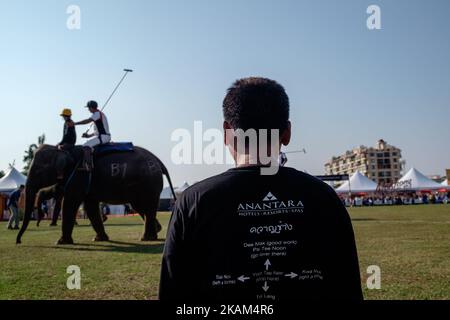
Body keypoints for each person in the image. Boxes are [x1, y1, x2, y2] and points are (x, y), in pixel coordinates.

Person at [159, 77, 362, 300]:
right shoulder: (324, 198)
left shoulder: (193, 202)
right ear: (287, 133)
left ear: (227, 132)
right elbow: (348, 289)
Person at [73, 100, 111, 171]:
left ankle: (89, 166)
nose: (88, 109)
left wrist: (75, 123)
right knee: (88, 144)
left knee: (86, 146)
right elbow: (96, 132)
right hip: (103, 136)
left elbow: (87, 121)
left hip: (104, 137)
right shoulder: (98, 115)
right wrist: (88, 136)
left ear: (91, 107)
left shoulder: (97, 114)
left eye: (88, 108)